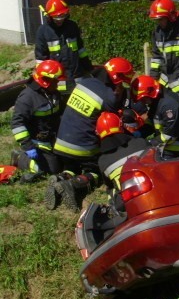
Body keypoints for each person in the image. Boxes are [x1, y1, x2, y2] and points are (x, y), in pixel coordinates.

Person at [47, 57, 135, 211]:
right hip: (82, 148)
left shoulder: (85, 82)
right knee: (96, 171)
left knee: (73, 166)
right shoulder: (109, 97)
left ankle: (62, 177)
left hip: (61, 143)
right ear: (118, 78)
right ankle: (73, 184)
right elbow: (112, 121)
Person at [10, 60, 64, 183]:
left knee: (65, 162)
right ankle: (20, 158)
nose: (58, 82)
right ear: (45, 80)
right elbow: (17, 123)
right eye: (55, 80)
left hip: (52, 139)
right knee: (52, 169)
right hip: (36, 142)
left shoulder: (52, 93)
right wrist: (28, 146)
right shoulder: (28, 97)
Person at [34, 0, 93, 100]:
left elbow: (80, 49)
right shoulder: (43, 31)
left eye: (63, 16)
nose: (60, 20)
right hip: (57, 79)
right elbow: (41, 59)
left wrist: (88, 67)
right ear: (49, 16)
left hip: (77, 75)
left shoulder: (72, 27)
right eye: (57, 17)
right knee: (61, 103)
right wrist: (43, 81)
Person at [130, 75, 179, 158]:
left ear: (150, 93)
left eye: (142, 99)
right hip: (173, 140)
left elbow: (170, 135)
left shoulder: (168, 105)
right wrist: (139, 133)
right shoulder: (157, 99)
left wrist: (149, 142)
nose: (142, 102)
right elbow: (152, 121)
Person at [95, 111, 150, 194]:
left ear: (98, 133)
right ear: (121, 126)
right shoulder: (141, 143)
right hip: (152, 189)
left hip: (127, 200)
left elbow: (110, 185)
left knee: (110, 192)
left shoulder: (102, 162)